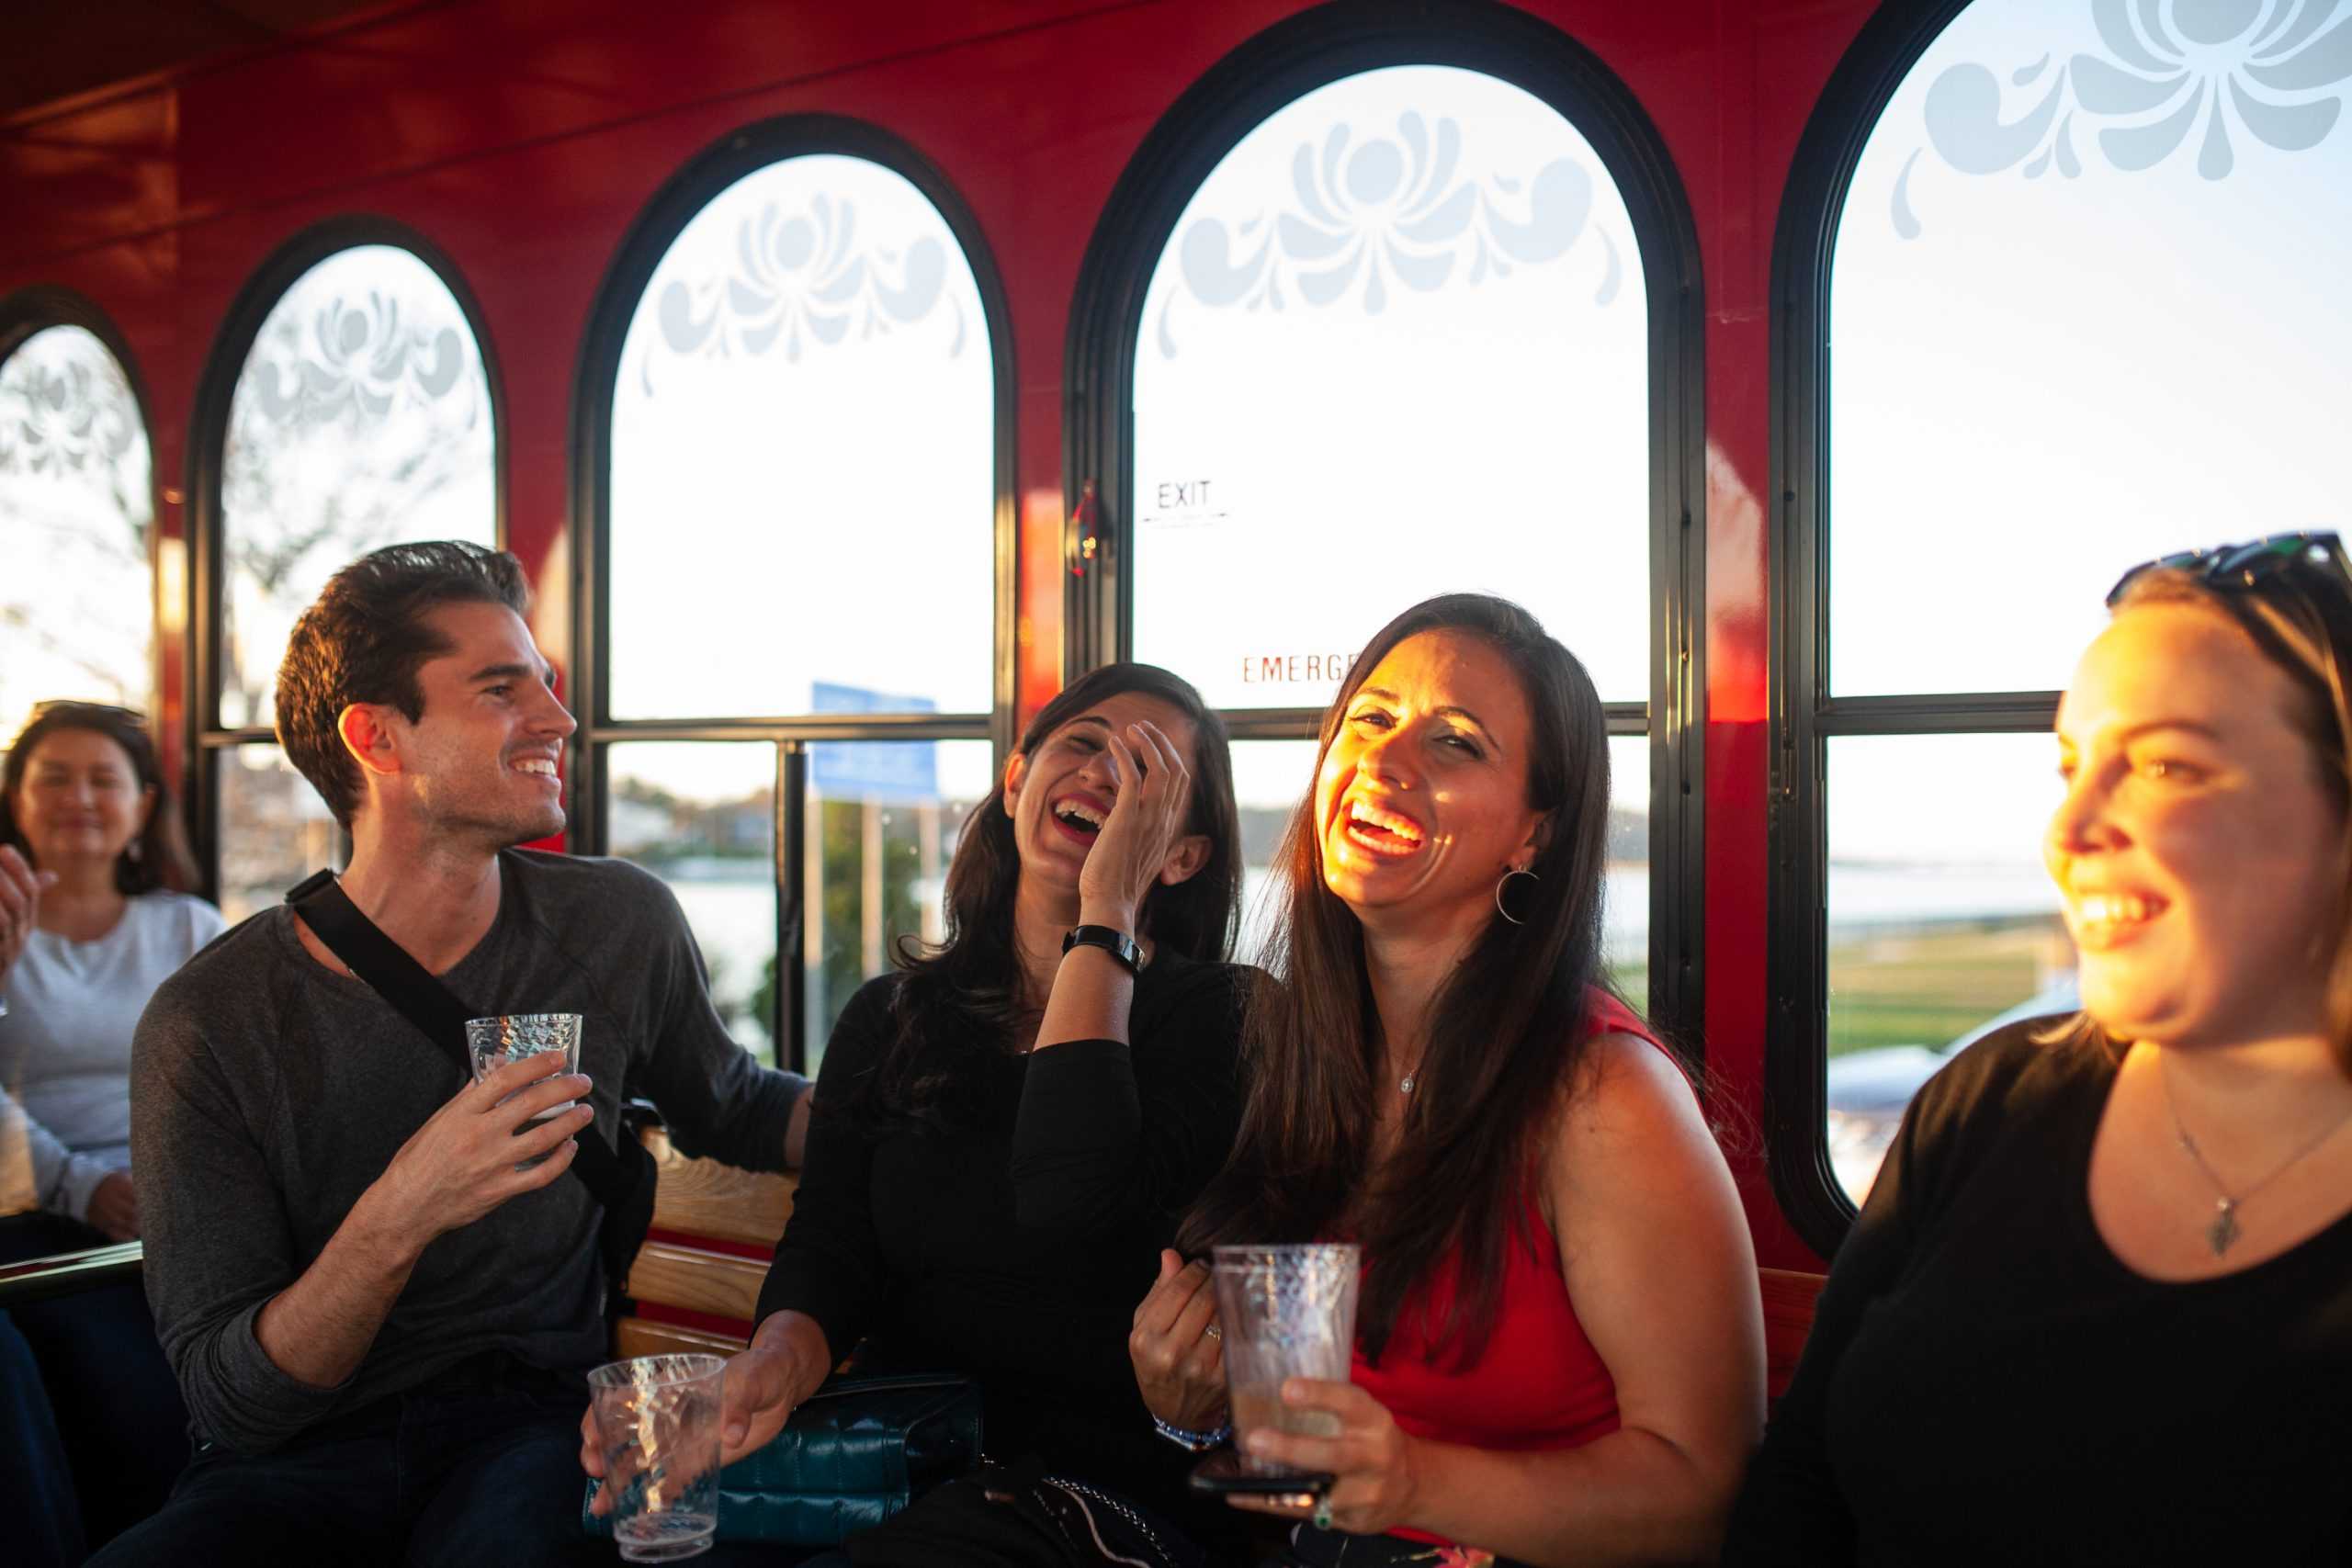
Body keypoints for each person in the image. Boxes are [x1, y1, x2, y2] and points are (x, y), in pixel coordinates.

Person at [92, 540, 812, 1568]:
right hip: (295, 1460)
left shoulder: (618, 923)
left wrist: (931, 1107)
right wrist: (408, 1206)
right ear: (377, 738)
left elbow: (734, 1104)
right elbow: (233, 1402)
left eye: (548, 687)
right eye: (501, 690)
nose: (559, 720)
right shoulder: (207, 1021)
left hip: (530, 1430)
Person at [1723, 533, 2352, 1565]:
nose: (2069, 826)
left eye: (2163, 764)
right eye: (2069, 763)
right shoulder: (1986, 1102)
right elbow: (1800, 1483)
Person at [1139, 593, 1763, 1567]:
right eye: (1371, 720)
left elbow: (1702, 1497)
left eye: (1457, 744)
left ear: (1534, 837)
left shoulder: (1601, 1096)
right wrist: (1190, 1412)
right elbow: (1301, 1458)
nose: (1385, 764)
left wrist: (1419, 1484)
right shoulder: (1303, 1048)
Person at [585, 662, 1253, 1558]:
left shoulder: (1228, 1021)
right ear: (1016, 781)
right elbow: (831, 1247)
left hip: (1103, 1503)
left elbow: (1072, 1206)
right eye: (1084, 745)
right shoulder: (891, 1017)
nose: (1103, 776)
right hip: (888, 1474)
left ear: (1182, 855)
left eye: (1147, 774)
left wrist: (1107, 914)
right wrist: (769, 1370)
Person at [0, 700, 224, 1551]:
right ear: (15, 798)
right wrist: (84, 1186)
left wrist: (169, 1184)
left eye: (104, 778)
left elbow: (233, 1081)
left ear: (141, 806)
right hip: (32, 1224)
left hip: (172, 1218)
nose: (78, 797)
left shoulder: (188, 927)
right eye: (52, 777)